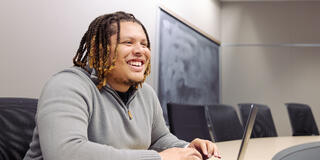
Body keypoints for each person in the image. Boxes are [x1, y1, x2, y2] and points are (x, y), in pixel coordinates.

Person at [23, 11, 221, 160]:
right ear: (99, 49)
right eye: (128, 42)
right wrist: (159, 158)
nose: (140, 51)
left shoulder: (146, 94)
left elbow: (159, 139)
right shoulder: (67, 85)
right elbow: (65, 153)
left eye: (144, 44)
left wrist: (188, 148)